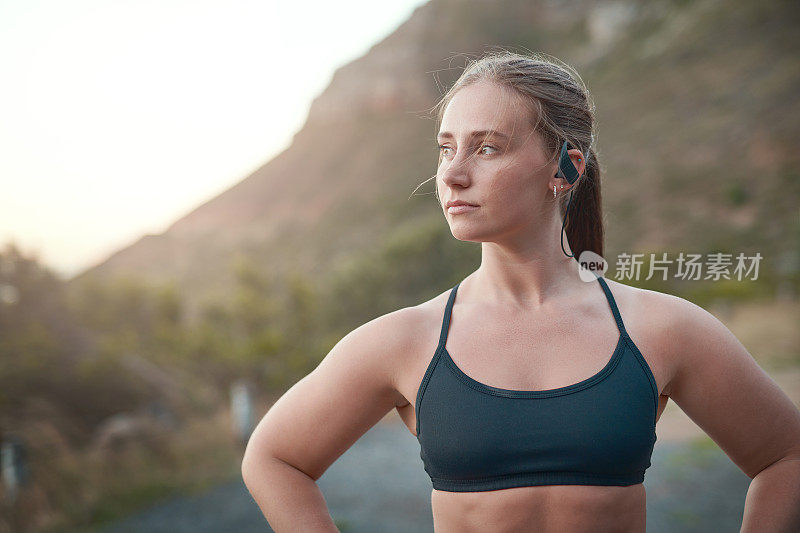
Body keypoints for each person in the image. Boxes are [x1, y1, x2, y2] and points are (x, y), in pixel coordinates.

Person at [241, 50, 800, 532]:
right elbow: (274, 458)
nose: (453, 174)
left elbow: (786, 456)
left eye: (486, 148)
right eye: (445, 148)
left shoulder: (661, 329)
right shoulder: (406, 340)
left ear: (565, 168)